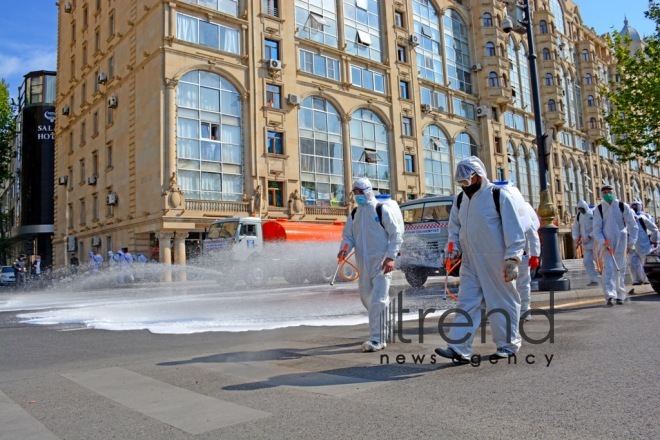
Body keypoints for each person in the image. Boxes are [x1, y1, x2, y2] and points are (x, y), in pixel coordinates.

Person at [434, 157, 526, 362]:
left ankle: (508, 345)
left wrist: (513, 258)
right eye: (461, 183)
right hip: (469, 261)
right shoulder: (460, 200)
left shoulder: (498, 195)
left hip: (496, 260)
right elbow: (454, 229)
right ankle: (459, 348)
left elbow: (515, 230)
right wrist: (453, 248)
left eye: (467, 181)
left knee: (501, 301)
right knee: (467, 303)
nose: (464, 186)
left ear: (478, 176)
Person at [338, 177, 403, 352]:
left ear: (368, 191)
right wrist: (344, 248)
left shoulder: (380, 210)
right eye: (355, 192)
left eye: (360, 192)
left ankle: (377, 339)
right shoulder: (354, 214)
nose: (357, 195)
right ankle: (386, 323)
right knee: (367, 299)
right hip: (363, 265)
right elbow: (348, 236)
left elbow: (396, 235)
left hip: (382, 264)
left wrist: (390, 257)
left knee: (377, 301)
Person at [592, 185, 638, 305]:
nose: (607, 194)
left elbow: (632, 225)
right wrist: (602, 241)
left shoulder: (622, 206)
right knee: (608, 269)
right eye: (604, 192)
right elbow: (596, 228)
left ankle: (620, 295)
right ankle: (610, 295)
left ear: (614, 192)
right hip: (606, 243)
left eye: (609, 192)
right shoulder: (599, 209)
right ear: (601, 194)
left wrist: (632, 242)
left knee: (620, 268)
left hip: (621, 241)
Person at [518, 203, 541, 321]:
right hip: (505, 255)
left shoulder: (523, 211)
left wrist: (535, 255)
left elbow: (533, 235)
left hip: (523, 254)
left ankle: (525, 309)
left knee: (523, 283)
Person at [628, 201, 659, 285]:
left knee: (644, 263)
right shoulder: (625, 222)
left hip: (644, 245)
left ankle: (647, 279)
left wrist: (653, 240)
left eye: (636, 205)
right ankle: (636, 279)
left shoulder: (642, 218)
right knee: (631, 263)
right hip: (632, 246)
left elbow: (654, 229)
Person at [571, 200, 600, 286]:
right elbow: (575, 228)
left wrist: (590, 236)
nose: (581, 210)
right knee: (587, 261)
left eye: (582, 208)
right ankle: (594, 279)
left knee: (599, 261)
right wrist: (576, 238)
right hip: (586, 244)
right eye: (579, 209)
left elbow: (598, 227)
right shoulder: (579, 216)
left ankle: (607, 276)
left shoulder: (593, 214)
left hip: (595, 242)